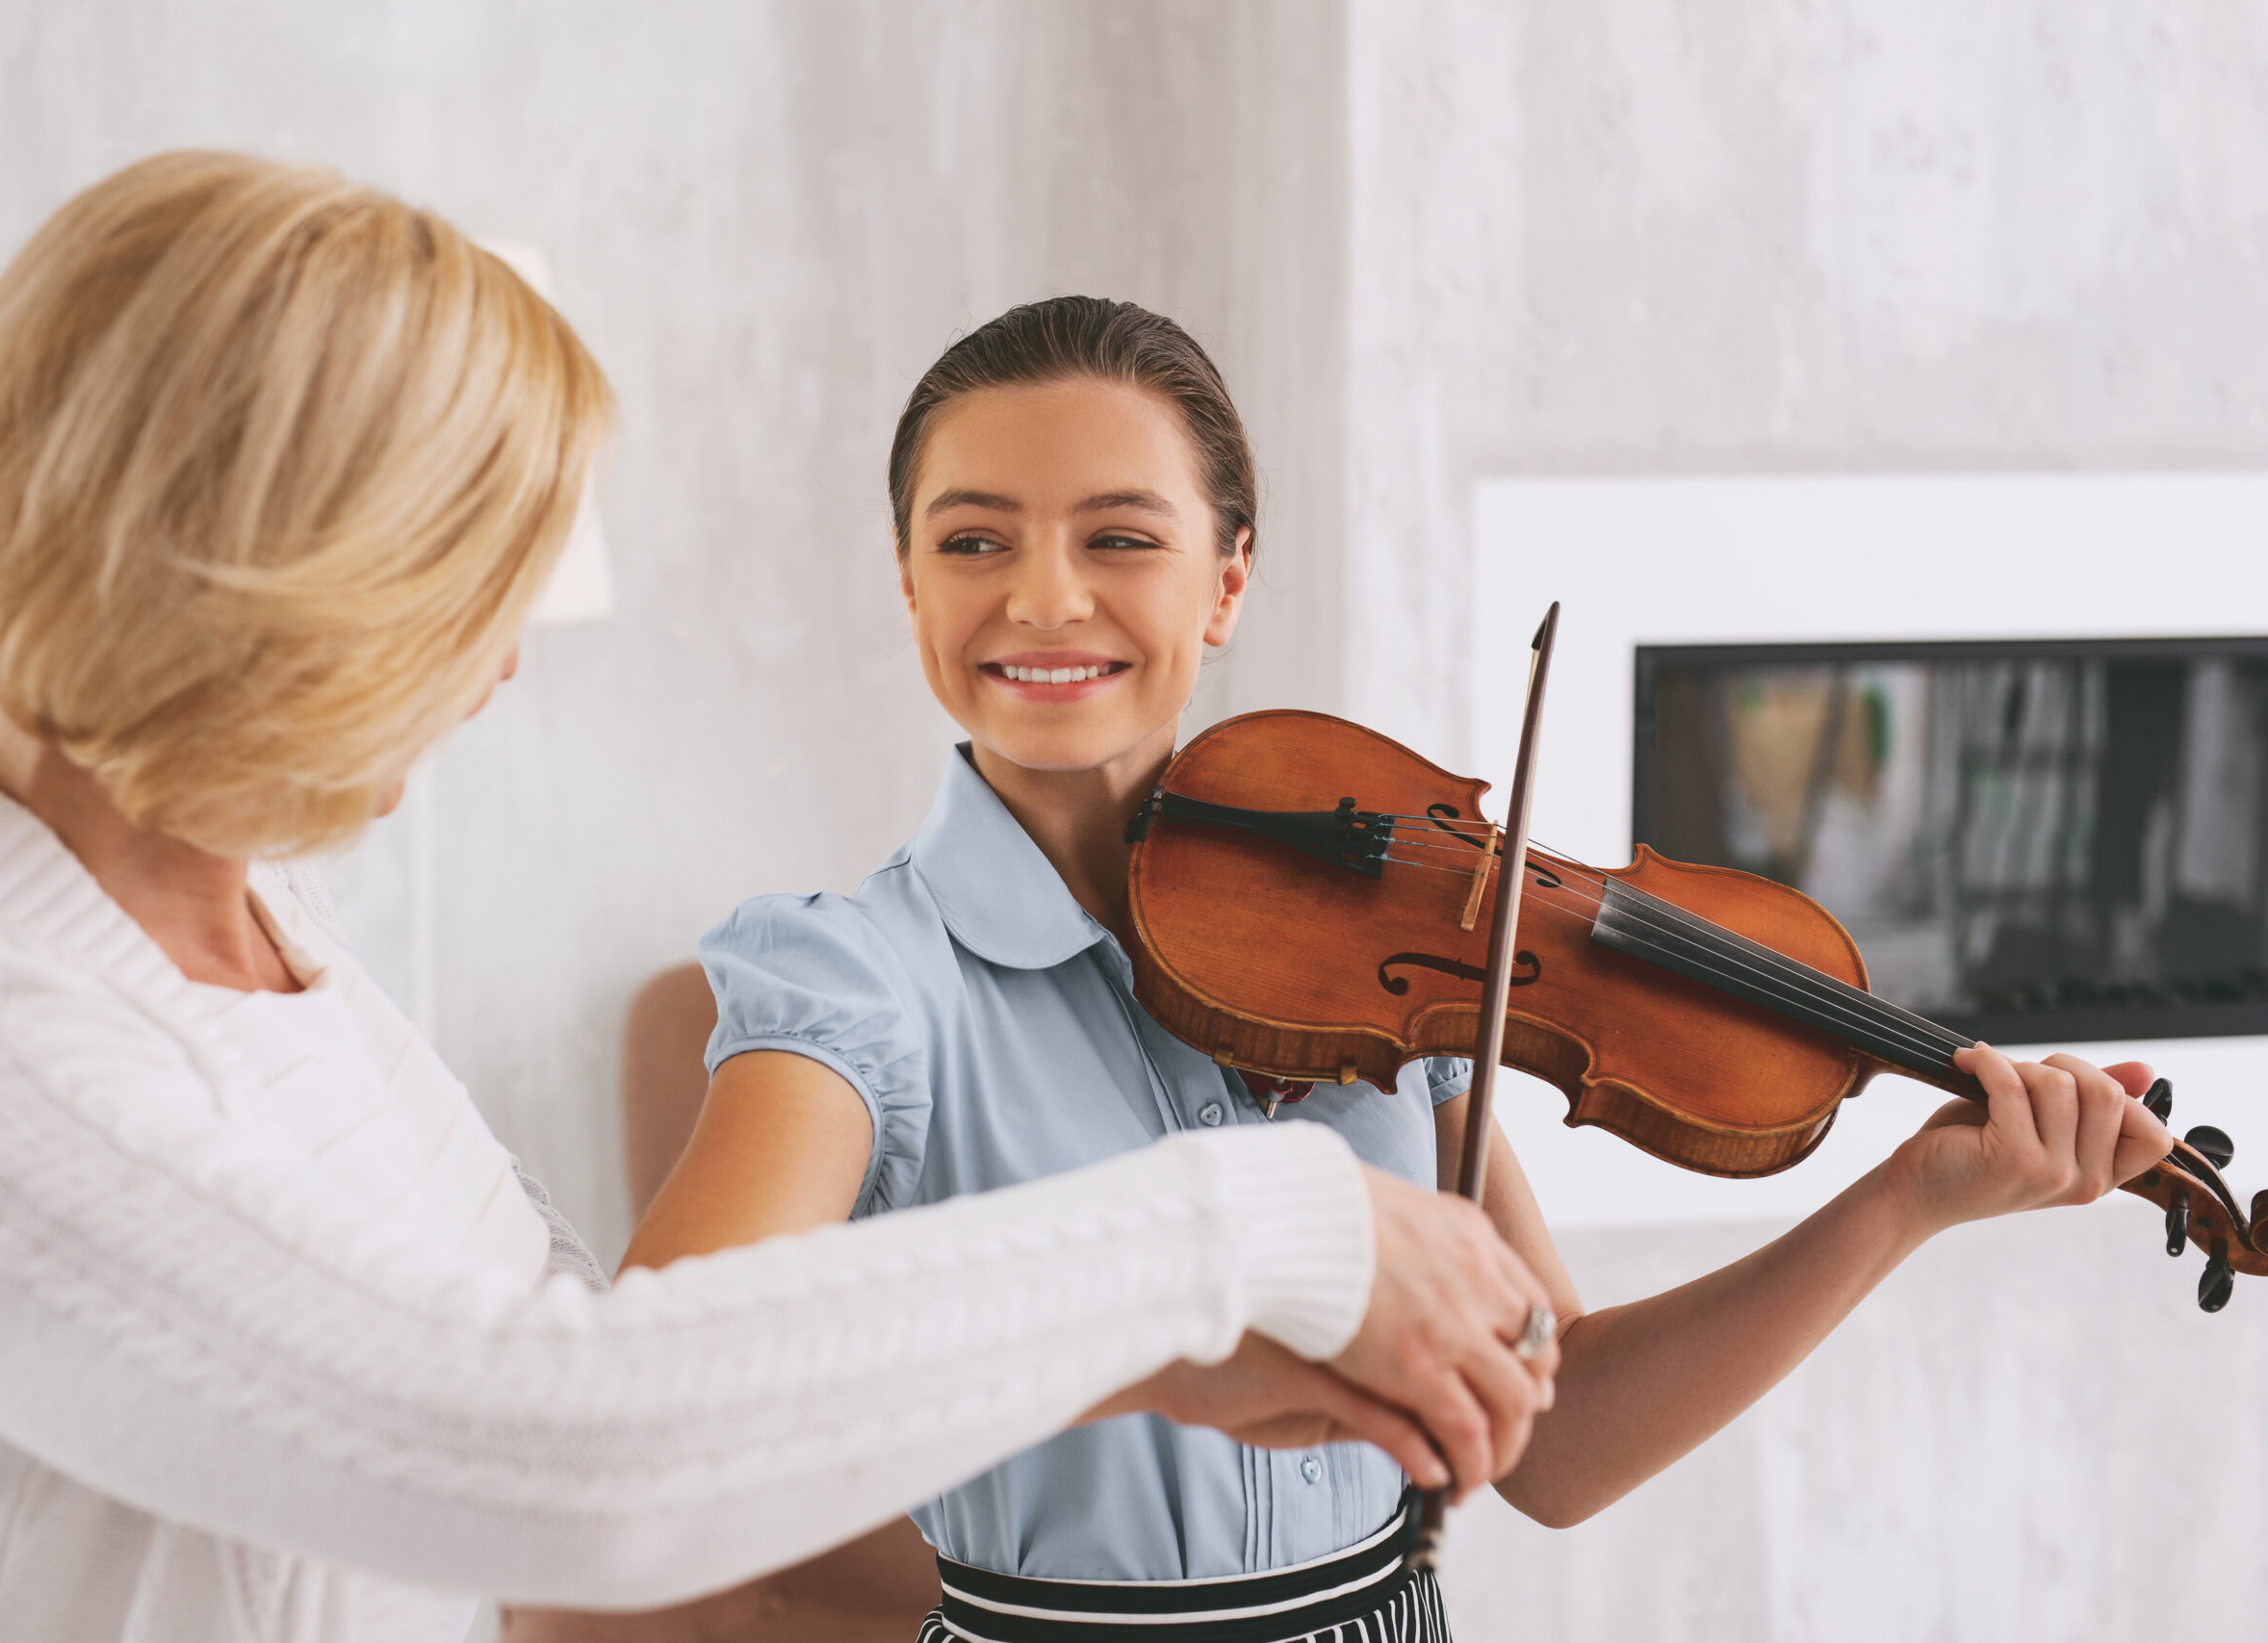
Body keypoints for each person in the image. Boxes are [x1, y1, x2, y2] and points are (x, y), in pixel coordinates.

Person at [0, 158, 1560, 1642]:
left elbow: (600, 1378)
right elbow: (572, 1465)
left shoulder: (230, 922)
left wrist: (1134, 1375)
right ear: (265, 584)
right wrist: (1245, 1239)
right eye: (464, 599)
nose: (495, 673)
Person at [628, 295, 2177, 1641]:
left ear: (1227, 581)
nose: (1042, 598)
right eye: (974, 540)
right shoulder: (856, 981)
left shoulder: (1387, 943)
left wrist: (1909, 1197)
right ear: (908, 586)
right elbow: (658, 1405)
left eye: (1122, 537)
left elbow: (1555, 1448)